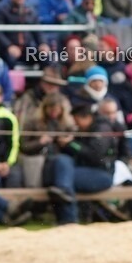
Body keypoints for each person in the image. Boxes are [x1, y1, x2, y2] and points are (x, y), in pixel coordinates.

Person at [45, 95, 120, 224]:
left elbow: (94, 156)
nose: (75, 124)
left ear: (85, 117)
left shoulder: (102, 129)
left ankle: (69, 219)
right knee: (62, 162)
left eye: (76, 120)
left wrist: (71, 144)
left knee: (63, 179)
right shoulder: (84, 130)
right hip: (84, 171)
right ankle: (67, 218)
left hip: (102, 174)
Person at [0, 0, 50, 67]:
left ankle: (42, 80)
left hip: (27, 49)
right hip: (8, 48)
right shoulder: (2, 11)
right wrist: (9, 46)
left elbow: (37, 31)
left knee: (45, 57)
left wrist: (43, 44)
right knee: (10, 61)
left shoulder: (30, 12)